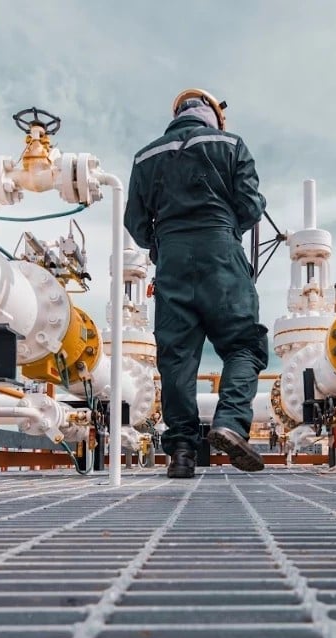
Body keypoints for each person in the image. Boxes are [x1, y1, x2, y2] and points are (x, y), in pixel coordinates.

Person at [124, 89, 270, 479]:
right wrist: (223, 230)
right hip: (221, 252)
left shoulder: (145, 156)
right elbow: (252, 206)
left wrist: (163, 243)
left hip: (171, 259)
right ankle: (230, 423)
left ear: (177, 114)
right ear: (213, 116)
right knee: (244, 345)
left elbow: (135, 224)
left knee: (176, 358)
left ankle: (182, 452)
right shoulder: (231, 144)